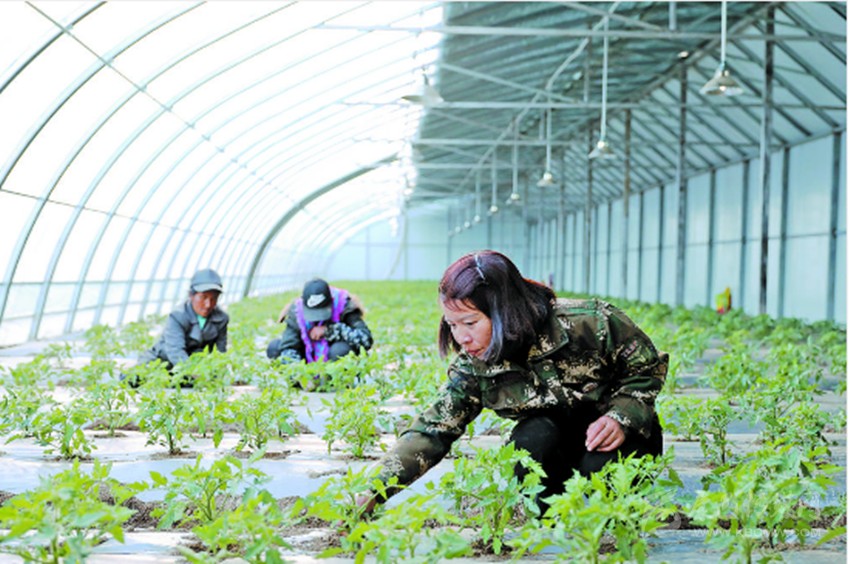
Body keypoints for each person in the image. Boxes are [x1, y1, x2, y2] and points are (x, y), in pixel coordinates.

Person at [361, 250, 667, 513]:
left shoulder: (589, 323)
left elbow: (647, 367)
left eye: (470, 323)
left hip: (614, 436)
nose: (461, 337)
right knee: (529, 442)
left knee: (601, 472)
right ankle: (550, 522)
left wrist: (621, 416)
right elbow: (432, 430)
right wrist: (373, 491)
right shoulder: (475, 365)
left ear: (505, 311)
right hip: (555, 448)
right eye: (452, 325)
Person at [129, 268, 229, 381]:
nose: (208, 304)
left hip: (193, 365)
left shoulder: (221, 318)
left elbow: (220, 352)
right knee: (136, 379)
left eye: (214, 298)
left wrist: (217, 373)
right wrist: (196, 374)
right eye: (203, 297)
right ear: (191, 295)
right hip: (164, 361)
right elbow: (175, 351)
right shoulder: (178, 316)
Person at [266, 278, 373, 365]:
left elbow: (366, 340)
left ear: (331, 302)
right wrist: (299, 373)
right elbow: (289, 346)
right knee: (275, 348)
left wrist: (330, 331)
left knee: (340, 351)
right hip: (307, 357)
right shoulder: (296, 313)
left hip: (333, 357)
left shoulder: (344, 305)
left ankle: (336, 379)